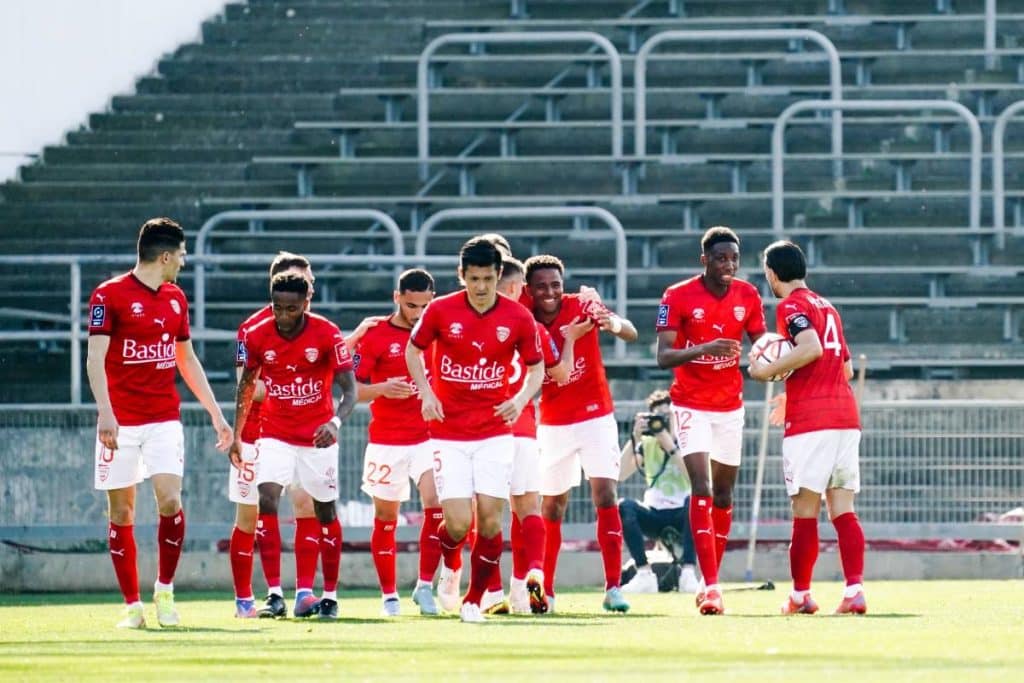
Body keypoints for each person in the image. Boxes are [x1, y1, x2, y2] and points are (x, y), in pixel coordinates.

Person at [87, 216, 232, 629]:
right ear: (165, 256)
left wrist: (216, 414)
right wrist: (106, 412)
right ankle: (132, 606)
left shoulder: (175, 299)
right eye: (181, 255)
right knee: (122, 511)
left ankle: (164, 591)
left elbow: (186, 359)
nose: (183, 262)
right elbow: (95, 358)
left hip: (164, 418)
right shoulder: (109, 295)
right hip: (120, 421)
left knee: (170, 500)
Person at [405, 237, 545, 623]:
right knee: (457, 523)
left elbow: (536, 369)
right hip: (448, 433)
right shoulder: (440, 310)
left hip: (495, 432)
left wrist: (520, 399)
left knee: (490, 519)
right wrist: (426, 392)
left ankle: (473, 600)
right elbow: (413, 351)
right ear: (461, 275)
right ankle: (451, 563)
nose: (481, 287)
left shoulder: (518, 317)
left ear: (499, 275)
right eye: (473, 279)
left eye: (488, 278)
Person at [229, 272, 357, 620]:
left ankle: (329, 596)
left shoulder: (327, 333)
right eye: (277, 307)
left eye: (292, 309)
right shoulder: (258, 335)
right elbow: (245, 387)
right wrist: (237, 435)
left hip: (318, 437)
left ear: (306, 303)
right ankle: (274, 594)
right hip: (275, 434)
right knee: (267, 497)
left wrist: (334, 423)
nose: (283, 316)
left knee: (325, 511)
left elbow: (350, 390)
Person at [748, 240, 866, 616]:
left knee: (804, 509)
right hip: (845, 416)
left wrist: (765, 371)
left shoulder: (790, 306)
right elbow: (845, 369)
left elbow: (811, 347)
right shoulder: (827, 306)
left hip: (812, 423)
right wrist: (792, 391)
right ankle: (854, 591)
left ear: (771, 273)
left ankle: (800, 596)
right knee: (843, 509)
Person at [654, 225, 766, 615]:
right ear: (705, 259)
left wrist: (770, 363)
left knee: (723, 495)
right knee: (701, 486)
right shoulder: (677, 295)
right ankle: (714, 585)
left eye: (734, 258)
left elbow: (761, 344)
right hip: (690, 404)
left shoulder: (747, 295)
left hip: (730, 407)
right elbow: (663, 356)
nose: (728, 265)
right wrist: (705, 348)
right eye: (720, 258)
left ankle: (706, 581)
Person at [524, 254, 638, 614]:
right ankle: (547, 591)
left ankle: (613, 587)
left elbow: (630, 332)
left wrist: (611, 322)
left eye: (555, 284)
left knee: (605, 493)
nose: (550, 292)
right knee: (552, 505)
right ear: (529, 289)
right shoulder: (523, 317)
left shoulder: (582, 305)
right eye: (541, 286)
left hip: (595, 415)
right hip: (553, 422)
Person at [482, 256, 592, 615]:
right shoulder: (533, 327)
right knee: (528, 509)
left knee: (486, 514)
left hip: (483, 431)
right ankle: (529, 577)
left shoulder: (475, 324)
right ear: (518, 288)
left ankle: (490, 592)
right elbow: (561, 374)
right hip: (525, 430)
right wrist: (571, 340)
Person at [228, 252, 322, 619]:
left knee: (306, 506)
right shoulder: (252, 329)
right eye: (301, 282)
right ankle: (245, 599)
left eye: (309, 284)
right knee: (249, 515)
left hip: (301, 435)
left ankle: (304, 593)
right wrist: (292, 388)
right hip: (258, 434)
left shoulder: (316, 330)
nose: (307, 290)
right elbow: (246, 384)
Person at [349, 268, 444, 617]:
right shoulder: (375, 336)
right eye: (410, 305)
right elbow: (350, 389)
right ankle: (389, 595)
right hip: (387, 440)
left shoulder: (440, 333)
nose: (418, 313)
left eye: (424, 306)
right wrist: (382, 389)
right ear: (397, 298)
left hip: (429, 436)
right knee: (386, 516)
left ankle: (425, 586)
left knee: (437, 504)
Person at [618, 390, 699, 594]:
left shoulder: (688, 441)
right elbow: (619, 474)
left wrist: (670, 445)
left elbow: (695, 478)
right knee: (624, 506)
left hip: (683, 513)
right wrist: (634, 438)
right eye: (657, 417)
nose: (661, 421)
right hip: (655, 513)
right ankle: (644, 573)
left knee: (696, 501)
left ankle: (688, 573)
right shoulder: (647, 444)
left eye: (666, 416)